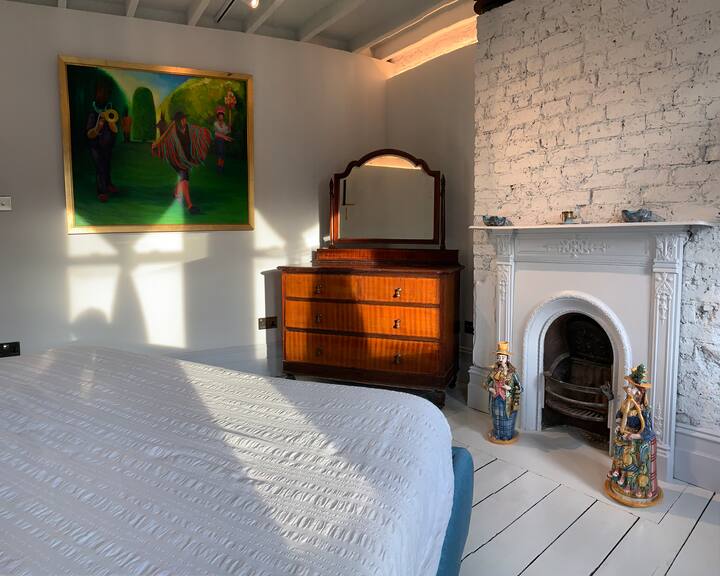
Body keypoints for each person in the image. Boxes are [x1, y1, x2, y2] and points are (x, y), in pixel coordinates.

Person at [606, 364, 662, 507]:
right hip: (625, 433)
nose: (630, 390)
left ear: (640, 393)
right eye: (630, 387)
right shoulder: (627, 404)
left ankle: (633, 484)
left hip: (637, 438)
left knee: (631, 454)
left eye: (633, 388)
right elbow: (619, 415)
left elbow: (648, 432)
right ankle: (619, 473)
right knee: (619, 447)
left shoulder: (644, 410)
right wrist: (619, 424)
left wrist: (633, 436)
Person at [151, 111, 211, 215]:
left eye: (185, 118)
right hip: (176, 159)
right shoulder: (173, 130)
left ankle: (175, 193)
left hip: (185, 159)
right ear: (178, 121)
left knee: (183, 178)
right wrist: (155, 145)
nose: (184, 121)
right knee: (185, 180)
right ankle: (190, 206)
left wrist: (206, 132)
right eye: (182, 119)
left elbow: (199, 131)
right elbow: (164, 137)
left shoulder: (189, 128)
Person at [86, 79, 118, 202]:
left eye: (105, 92)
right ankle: (102, 191)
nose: (103, 95)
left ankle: (108, 184)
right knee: (100, 167)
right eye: (100, 92)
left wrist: (110, 122)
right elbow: (89, 134)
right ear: (96, 93)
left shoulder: (111, 108)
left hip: (108, 145)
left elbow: (115, 130)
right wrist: (98, 127)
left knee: (107, 165)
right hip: (96, 146)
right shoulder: (92, 112)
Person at [485, 341, 522, 443]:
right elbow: (485, 383)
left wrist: (510, 388)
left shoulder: (512, 373)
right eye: (499, 357)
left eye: (503, 357)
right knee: (496, 418)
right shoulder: (494, 371)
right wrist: (490, 389)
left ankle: (506, 436)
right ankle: (497, 434)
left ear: (507, 358)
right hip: (496, 398)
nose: (500, 359)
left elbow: (520, 388)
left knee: (506, 418)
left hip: (507, 400)